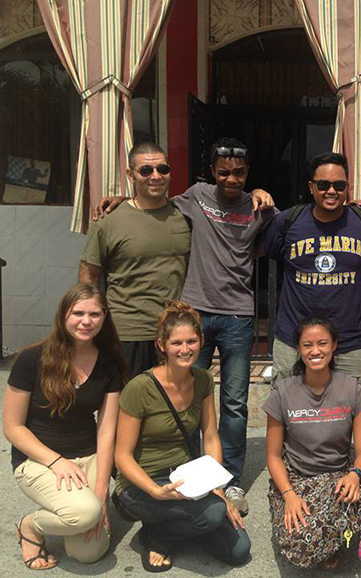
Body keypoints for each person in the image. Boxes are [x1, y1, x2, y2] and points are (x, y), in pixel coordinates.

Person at [89, 137, 275, 516]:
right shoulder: (195, 197)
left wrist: (264, 193)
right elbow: (150, 204)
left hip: (239, 315)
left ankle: (230, 478)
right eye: (224, 172)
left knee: (234, 403)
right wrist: (120, 201)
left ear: (248, 173)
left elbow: (270, 240)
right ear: (212, 172)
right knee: (189, 399)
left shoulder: (259, 208)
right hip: (196, 316)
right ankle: (187, 471)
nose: (231, 178)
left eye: (239, 173)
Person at [113, 302, 250, 572]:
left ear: (201, 341)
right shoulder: (139, 388)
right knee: (212, 514)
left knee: (238, 550)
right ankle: (156, 537)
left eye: (191, 341)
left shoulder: (202, 380)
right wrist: (156, 491)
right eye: (177, 343)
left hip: (185, 476)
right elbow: (122, 456)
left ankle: (176, 528)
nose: (185, 349)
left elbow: (210, 434)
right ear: (162, 345)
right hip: (141, 484)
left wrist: (218, 490)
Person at [3, 283, 126, 569]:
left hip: (88, 456)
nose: (86, 321)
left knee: (88, 552)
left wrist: (100, 491)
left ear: (105, 317)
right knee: (83, 514)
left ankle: (78, 508)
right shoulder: (32, 359)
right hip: (39, 459)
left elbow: (106, 431)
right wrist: (56, 461)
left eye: (95, 314)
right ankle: (30, 526)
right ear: (63, 315)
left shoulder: (109, 364)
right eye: (78, 312)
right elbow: (12, 427)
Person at [259, 152, 361, 381]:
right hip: (294, 341)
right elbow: (256, 248)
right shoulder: (288, 222)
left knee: (349, 412)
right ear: (311, 186)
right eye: (323, 184)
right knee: (288, 409)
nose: (331, 191)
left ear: (348, 187)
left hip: (350, 342)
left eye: (339, 185)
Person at [263, 315, 361, 569]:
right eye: (307, 345)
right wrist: (288, 495)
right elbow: (273, 456)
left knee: (342, 512)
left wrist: (355, 475)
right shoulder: (282, 392)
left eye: (322, 343)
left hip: (338, 478)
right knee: (298, 545)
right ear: (298, 349)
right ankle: (327, 539)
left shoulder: (353, 390)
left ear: (334, 345)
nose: (315, 351)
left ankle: (337, 537)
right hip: (296, 479)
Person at [79, 142, 190, 379]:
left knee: (166, 409)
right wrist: (89, 327)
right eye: (146, 171)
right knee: (123, 408)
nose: (156, 176)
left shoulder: (184, 216)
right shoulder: (108, 220)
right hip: (126, 333)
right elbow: (88, 278)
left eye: (163, 169)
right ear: (131, 175)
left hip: (173, 334)